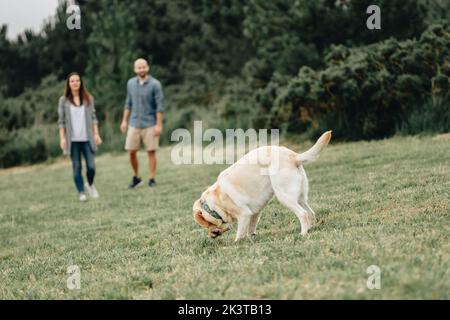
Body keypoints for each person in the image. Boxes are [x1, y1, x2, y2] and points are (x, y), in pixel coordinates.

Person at [58, 72, 102, 201]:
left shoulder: (88, 98)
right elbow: (61, 121)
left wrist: (96, 134)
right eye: (72, 81)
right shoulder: (63, 101)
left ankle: (90, 184)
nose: (75, 83)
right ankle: (81, 192)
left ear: (81, 82)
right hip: (73, 140)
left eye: (77, 80)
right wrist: (62, 138)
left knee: (91, 166)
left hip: (87, 138)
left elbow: (94, 118)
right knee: (77, 166)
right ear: (68, 84)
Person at [120, 58, 164, 188]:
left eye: (143, 67)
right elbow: (128, 104)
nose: (142, 69)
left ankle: (152, 178)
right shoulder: (130, 84)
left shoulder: (155, 84)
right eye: (139, 67)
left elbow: (159, 107)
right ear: (135, 69)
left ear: (148, 68)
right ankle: (136, 177)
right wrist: (124, 121)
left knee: (151, 151)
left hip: (150, 123)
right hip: (134, 123)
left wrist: (159, 125)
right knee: (131, 151)